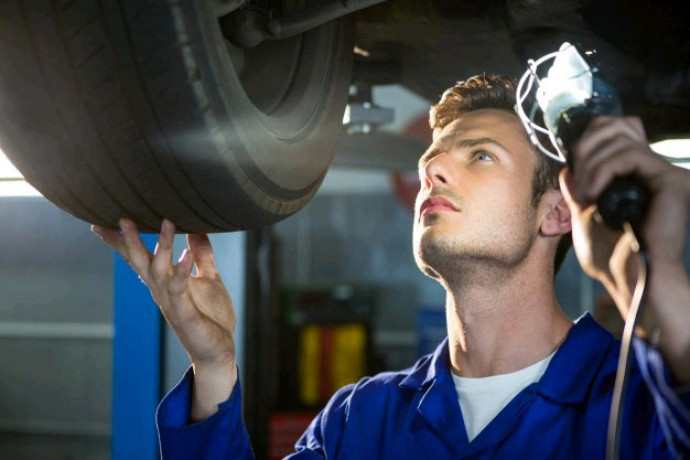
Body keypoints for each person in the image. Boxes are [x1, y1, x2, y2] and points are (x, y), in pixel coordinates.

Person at [92, 74, 690, 459]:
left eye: (479, 155)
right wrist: (214, 368)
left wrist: (658, 279)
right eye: (433, 159)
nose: (433, 171)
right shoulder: (362, 419)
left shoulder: (636, 401)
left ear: (557, 211)